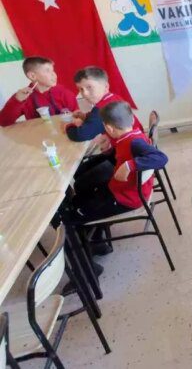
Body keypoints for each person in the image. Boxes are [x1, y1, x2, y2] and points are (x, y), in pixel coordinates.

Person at [60, 101, 167, 273]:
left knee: (70, 220)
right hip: (122, 191)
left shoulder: (134, 142)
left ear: (108, 128)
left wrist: (129, 165)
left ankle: (89, 271)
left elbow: (161, 158)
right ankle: (98, 243)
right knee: (79, 198)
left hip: (126, 198)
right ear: (131, 119)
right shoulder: (130, 135)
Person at [64, 66, 144, 142]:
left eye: (89, 87)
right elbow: (97, 120)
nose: (85, 93)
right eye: (81, 89)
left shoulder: (103, 108)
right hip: (138, 140)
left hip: (130, 151)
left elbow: (80, 135)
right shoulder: (113, 97)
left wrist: (68, 126)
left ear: (106, 86)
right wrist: (85, 116)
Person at [0, 56, 78, 126]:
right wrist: (16, 101)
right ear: (32, 76)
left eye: (53, 70)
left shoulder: (64, 93)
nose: (54, 75)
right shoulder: (23, 97)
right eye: (47, 71)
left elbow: (77, 116)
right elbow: (3, 122)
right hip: (40, 138)